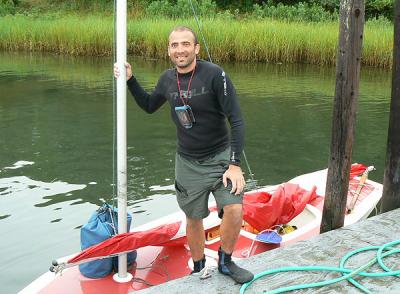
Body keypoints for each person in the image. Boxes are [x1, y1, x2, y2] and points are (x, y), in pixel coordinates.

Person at [114, 25, 253, 284]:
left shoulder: (215, 75)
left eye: (186, 44)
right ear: (169, 50)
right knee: (193, 218)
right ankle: (198, 266)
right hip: (188, 162)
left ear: (196, 48)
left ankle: (226, 261)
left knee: (234, 209)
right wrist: (130, 80)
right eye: (174, 45)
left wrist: (234, 164)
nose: (180, 49)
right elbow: (148, 105)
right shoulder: (167, 79)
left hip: (222, 158)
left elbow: (237, 120)